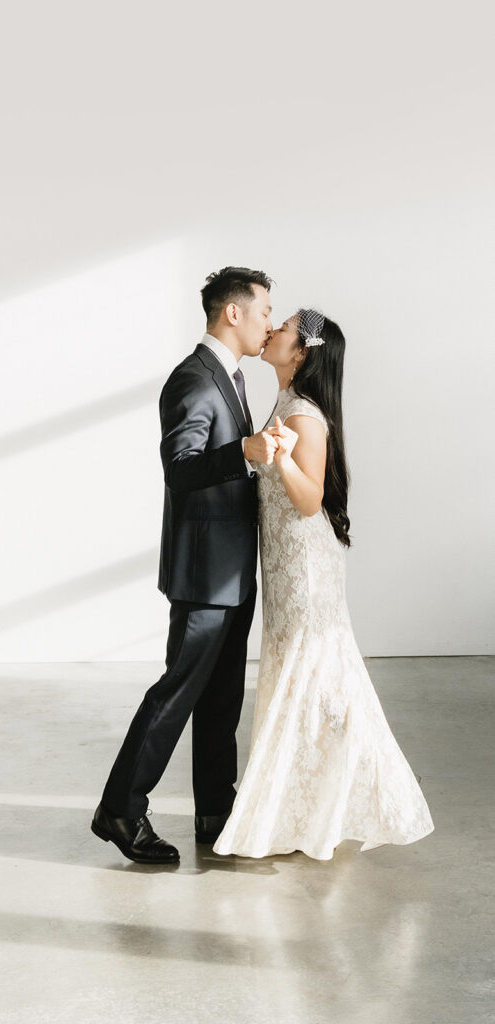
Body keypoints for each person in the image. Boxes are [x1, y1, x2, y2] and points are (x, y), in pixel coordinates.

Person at [213, 309, 435, 860]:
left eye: (284, 326)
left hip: (305, 567)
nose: (273, 330)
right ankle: (307, 804)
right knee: (305, 675)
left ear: (302, 351)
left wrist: (281, 456)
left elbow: (310, 499)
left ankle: (376, 785)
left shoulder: (304, 415)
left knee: (315, 674)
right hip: (289, 562)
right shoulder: (287, 403)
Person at [91, 266, 277, 863]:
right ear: (233, 313)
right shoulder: (194, 380)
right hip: (204, 576)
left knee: (221, 702)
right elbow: (182, 469)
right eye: (264, 311)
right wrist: (243, 452)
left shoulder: (232, 377)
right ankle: (120, 808)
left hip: (230, 572)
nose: (269, 322)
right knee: (177, 692)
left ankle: (216, 814)